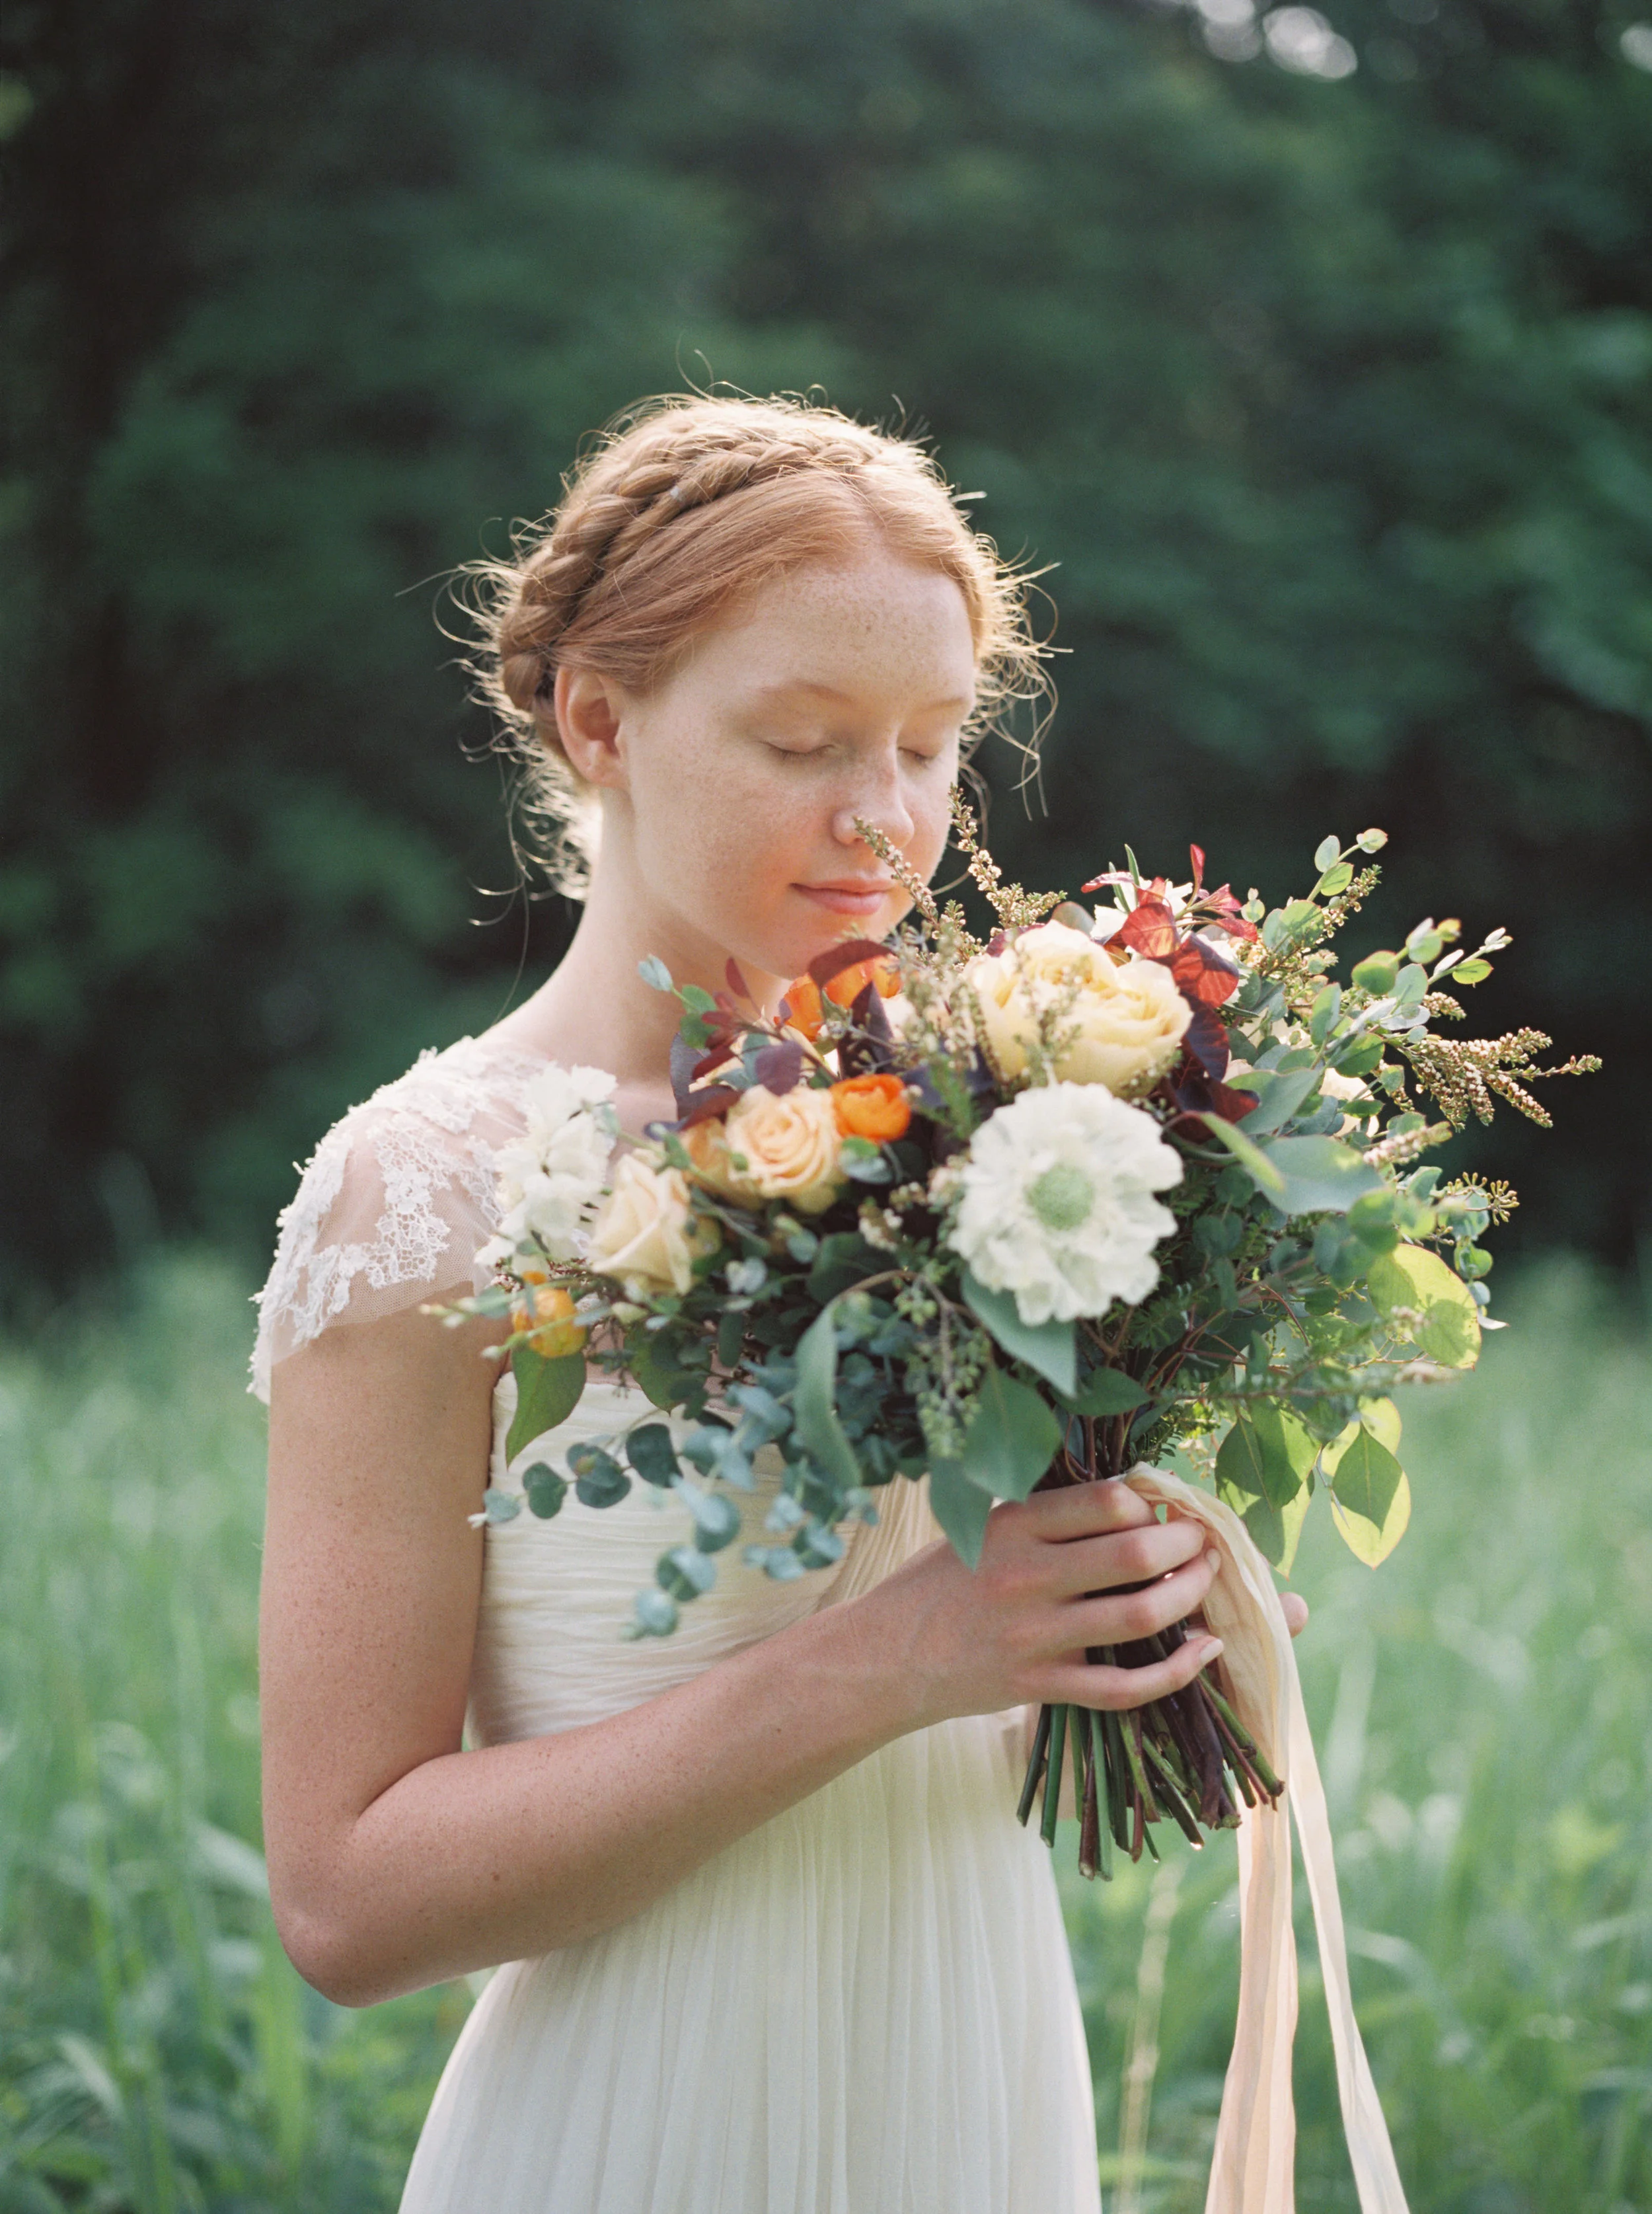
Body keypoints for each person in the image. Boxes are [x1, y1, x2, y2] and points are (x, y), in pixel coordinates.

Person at [252, 393, 1306, 2214]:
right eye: (804, 739)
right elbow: (345, 1899)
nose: (886, 821)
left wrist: (1129, 1610)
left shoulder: (1014, 1123)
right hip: (650, 2120)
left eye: (928, 743)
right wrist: (901, 1655)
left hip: (971, 2085)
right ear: (599, 717)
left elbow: (991, 1651)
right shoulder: (418, 1193)